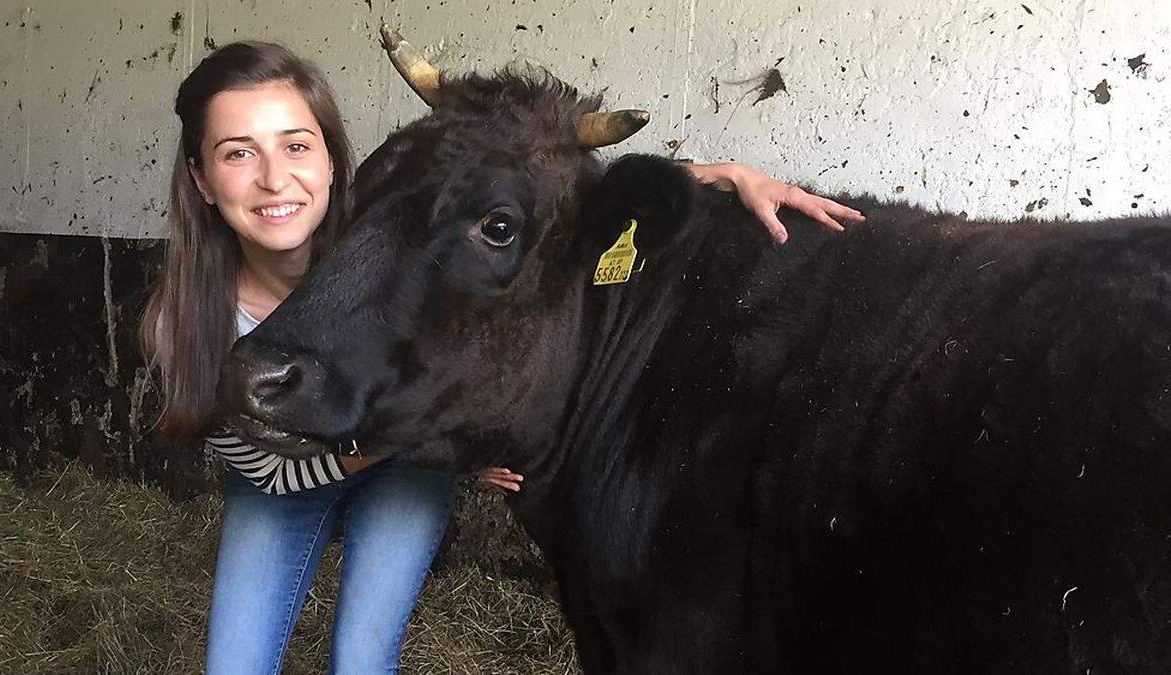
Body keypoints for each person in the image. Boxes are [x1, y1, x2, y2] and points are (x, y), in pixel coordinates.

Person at [139, 40, 863, 674]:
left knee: (362, 658)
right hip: (320, 468)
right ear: (202, 179)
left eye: (295, 145)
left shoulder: (377, 222)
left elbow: (525, 190)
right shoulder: (187, 311)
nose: (273, 179)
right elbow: (267, 467)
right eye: (238, 153)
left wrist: (727, 172)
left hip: (400, 462)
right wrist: (426, 436)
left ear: (334, 161)